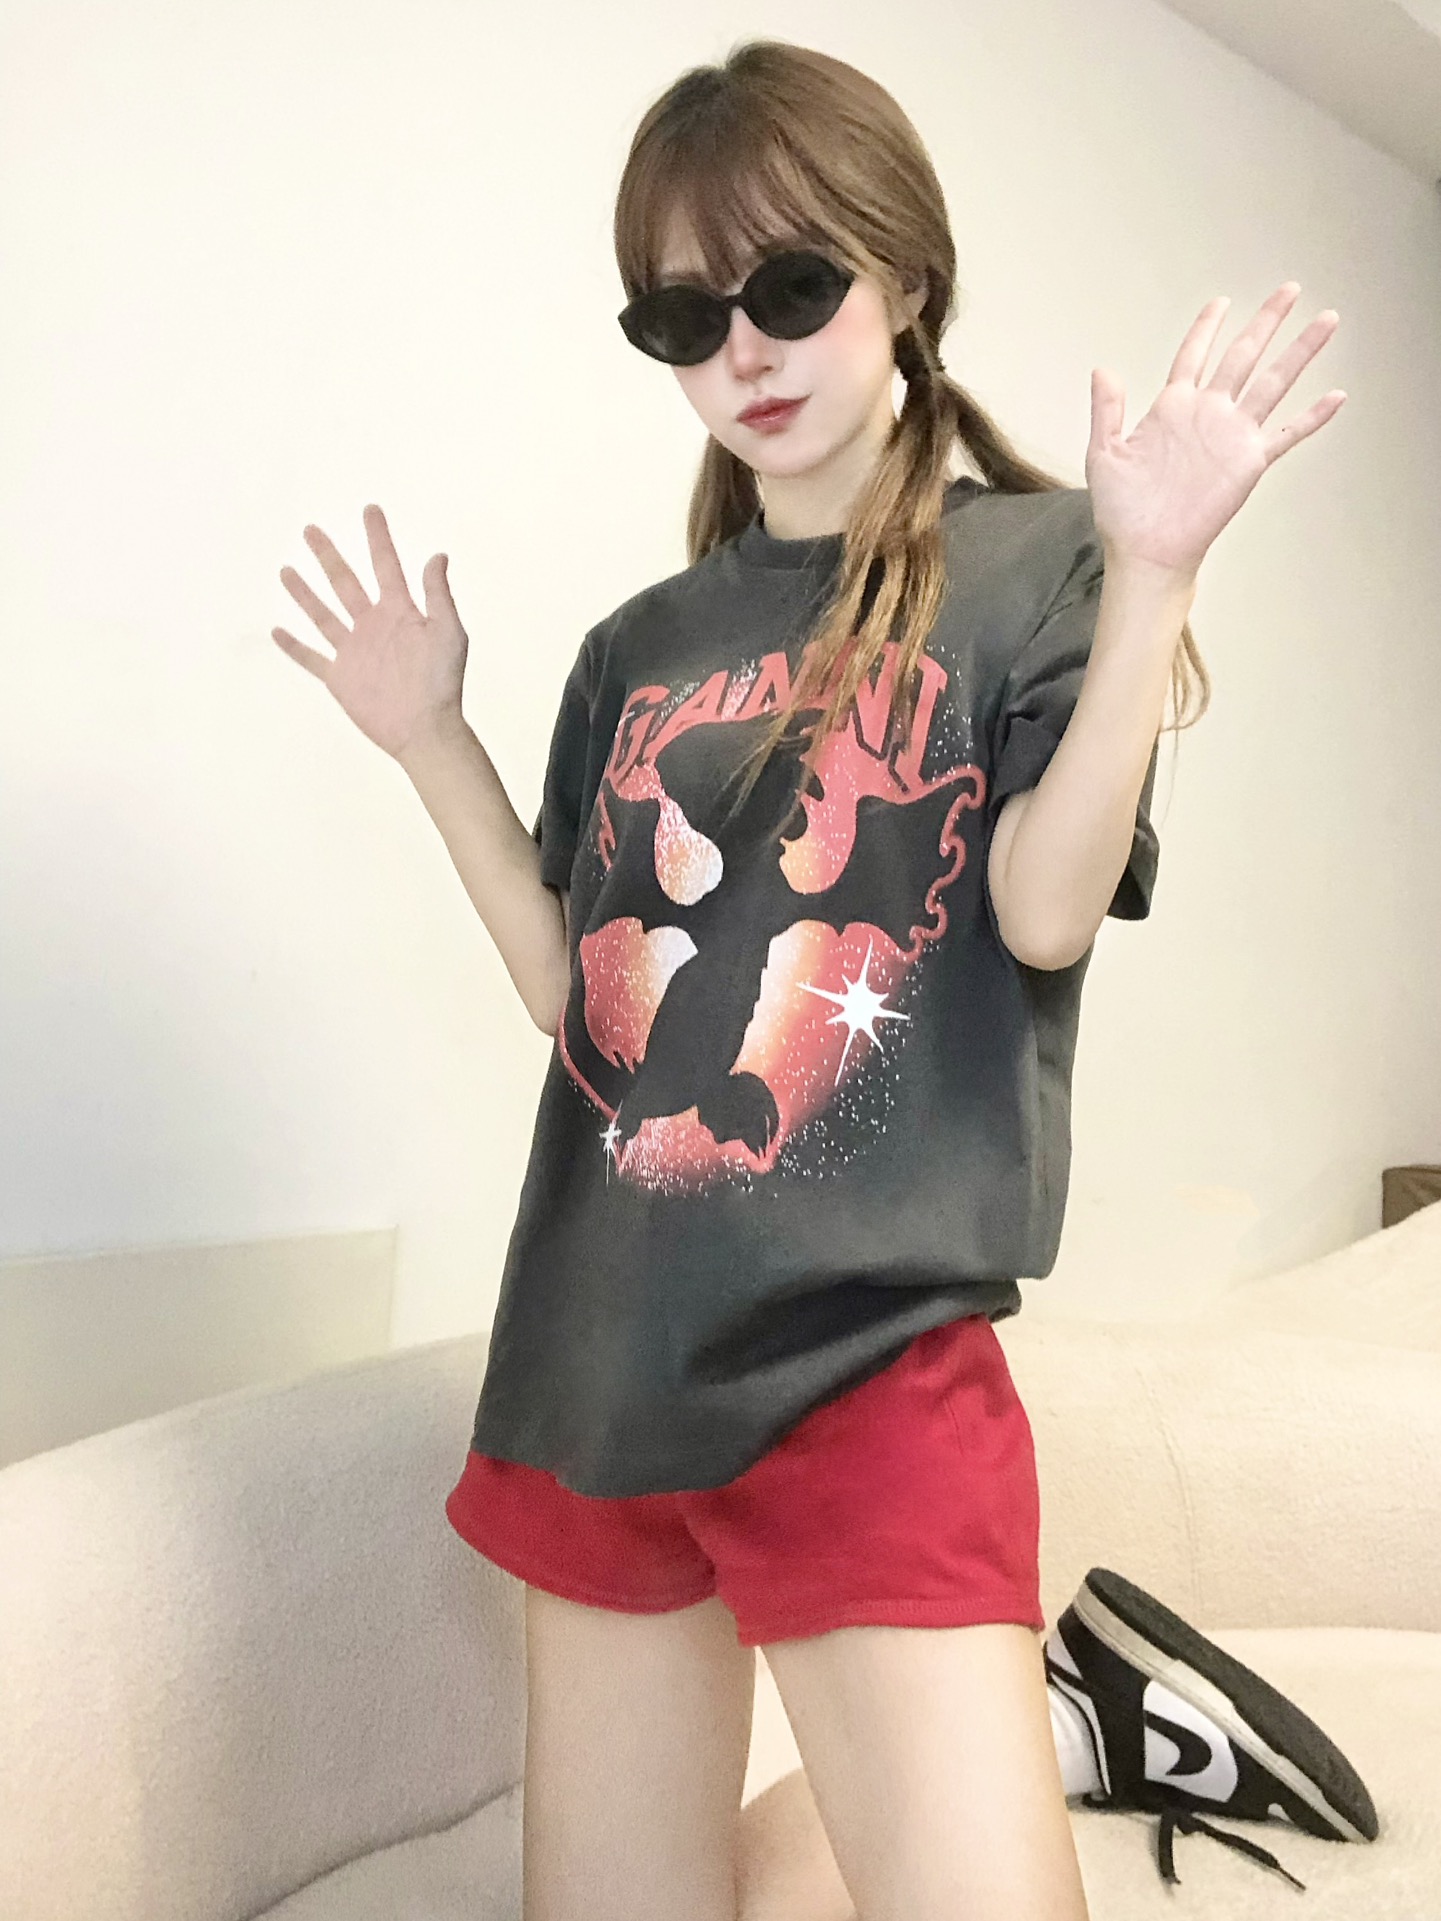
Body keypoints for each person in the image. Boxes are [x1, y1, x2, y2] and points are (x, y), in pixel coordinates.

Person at [271, 36, 1372, 1921]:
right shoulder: (636, 647)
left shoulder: (1037, 566)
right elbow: (571, 996)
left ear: (905, 277)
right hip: (596, 1363)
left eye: (790, 287)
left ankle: (1050, 1719)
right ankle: (1063, 1718)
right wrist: (430, 740)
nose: (743, 353)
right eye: (683, 318)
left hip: (863, 1363)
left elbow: (1041, 910)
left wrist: (1155, 577)